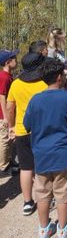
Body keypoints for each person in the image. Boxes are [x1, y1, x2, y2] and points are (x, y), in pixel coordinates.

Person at [23, 58, 67, 238]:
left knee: (42, 192)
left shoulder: (35, 100)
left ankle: (44, 229)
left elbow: (27, 125)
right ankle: (63, 229)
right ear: (59, 77)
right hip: (64, 153)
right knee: (63, 192)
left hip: (41, 154)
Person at [6, 52, 47, 215]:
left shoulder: (16, 84)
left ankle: (28, 202)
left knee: (26, 167)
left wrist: (12, 127)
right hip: (43, 130)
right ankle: (45, 198)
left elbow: (10, 108)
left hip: (23, 130)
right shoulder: (45, 82)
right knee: (43, 166)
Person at [0, 49, 18, 178]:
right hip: (3, 116)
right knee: (4, 140)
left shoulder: (7, 76)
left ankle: (8, 161)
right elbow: (2, 96)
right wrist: (6, 117)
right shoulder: (4, 77)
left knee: (9, 140)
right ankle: (3, 166)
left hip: (6, 114)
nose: (16, 60)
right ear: (8, 62)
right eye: (14, 58)